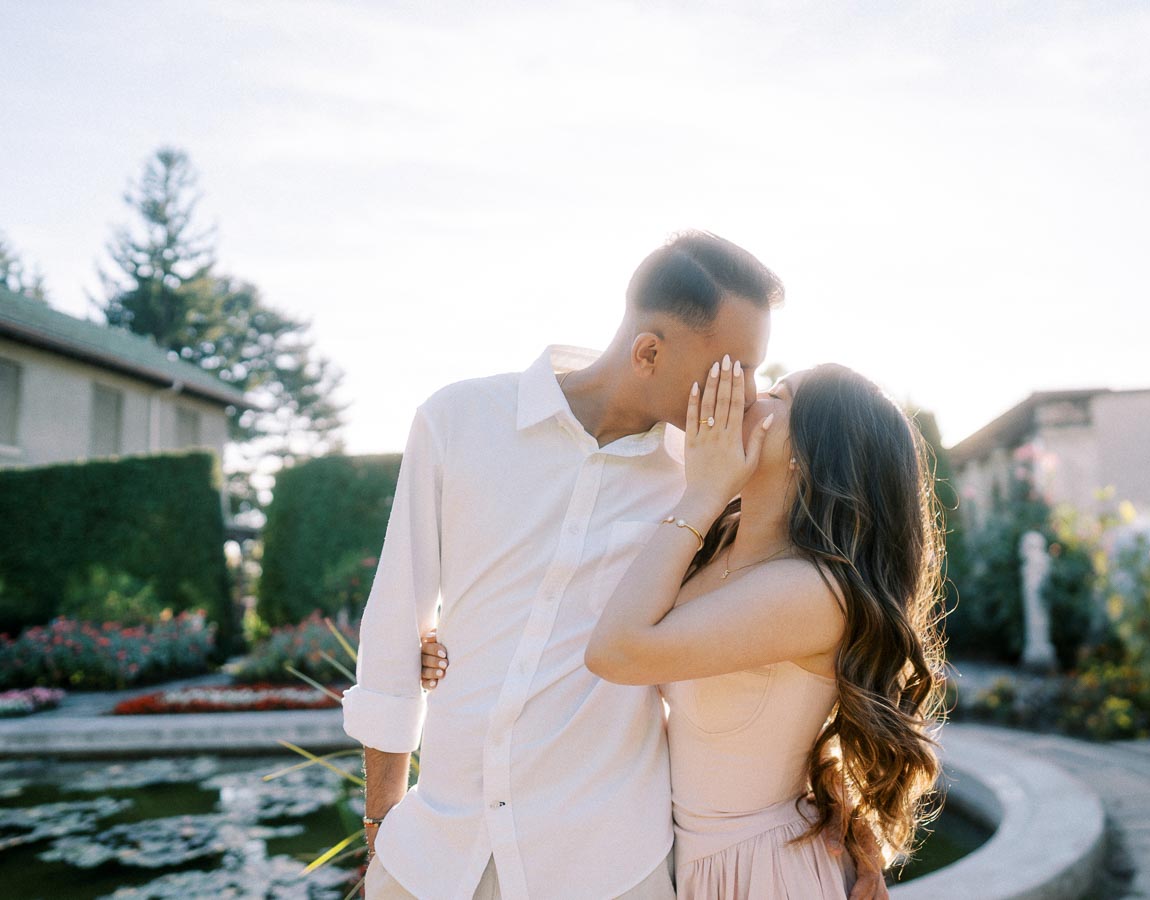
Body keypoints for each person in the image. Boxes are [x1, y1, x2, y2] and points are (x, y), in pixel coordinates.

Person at [343, 230, 887, 900]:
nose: (746, 395)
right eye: (734, 368)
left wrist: (851, 827)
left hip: (608, 868)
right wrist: (382, 819)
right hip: (432, 858)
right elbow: (394, 625)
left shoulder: (708, 478)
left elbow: (784, 668)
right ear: (649, 351)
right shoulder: (460, 421)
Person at [422, 361, 949, 897]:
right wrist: (453, 641)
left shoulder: (813, 592)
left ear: (809, 455)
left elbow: (617, 652)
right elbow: (578, 601)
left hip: (763, 870)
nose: (749, 396)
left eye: (777, 395)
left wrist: (703, 492)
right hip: (681, 859)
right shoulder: (718, 544)